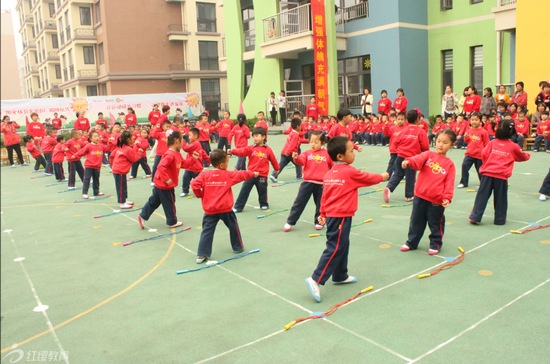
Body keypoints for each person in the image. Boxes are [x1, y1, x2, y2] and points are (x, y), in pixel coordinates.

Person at [305, 136, 389, 302]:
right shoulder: (350, 172)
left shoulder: (329, 174)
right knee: (335, 247)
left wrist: (322, 213)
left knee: (343, 244)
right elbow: (367, 178)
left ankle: (340, 275)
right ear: (340, 157)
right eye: (351, 151)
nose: (354, 153)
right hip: (341, 216)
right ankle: (316, 278)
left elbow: (324, 196)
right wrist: (383, 176)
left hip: (335, 216)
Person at [192, 149, 259, 263]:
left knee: (207, 231)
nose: (228, 165)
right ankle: (238, 247)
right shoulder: (227, 174)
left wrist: (200, 194)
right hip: (225, 209)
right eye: (227, 162)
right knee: (233, 227)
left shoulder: (204, 174)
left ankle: (202, 254)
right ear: (222, 165)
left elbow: (194, 184)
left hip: (210, 210)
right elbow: (241, 174)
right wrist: (253, 173)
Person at [400, 129, 457, 255]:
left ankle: (435, 243)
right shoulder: (428, 155)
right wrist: (408, 161)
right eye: (438, 141)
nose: (441, 145)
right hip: (420, 196)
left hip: (436, 201)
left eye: (445, 142)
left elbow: (449, 182)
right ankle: (411, 242)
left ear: (452, 145)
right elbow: (417, 160)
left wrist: (447, 197)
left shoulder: (449, 164)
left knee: (435, 223)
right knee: (416, 221)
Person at [469, 120, 531, 225]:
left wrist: (487, 164)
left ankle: (475, 216)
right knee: (501, 199)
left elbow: (484, 154)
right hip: (501, 176)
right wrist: (528, 156)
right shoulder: (513, 146)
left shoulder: (492, 143)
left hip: (487, 174)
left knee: (482, 196)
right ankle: (499, 219)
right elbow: (522, 156)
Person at [138, 131, 200, 229]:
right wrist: (166, 179)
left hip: (160, 183)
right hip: (164, 184)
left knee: (155, 200)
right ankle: (172, 221)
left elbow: (184, 164)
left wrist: (194, 159)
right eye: (182, 140)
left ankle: (143, 215)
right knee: (170, 202)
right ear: (176, 141)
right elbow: (161, 166)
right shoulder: (170, 154)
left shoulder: (177, 154)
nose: (183, 143)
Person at [283, 131, 333, 232]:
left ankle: (319, 221)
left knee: (320, 204)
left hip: (321, 184)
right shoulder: (307, 153)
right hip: (307, 182)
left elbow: (333, 166)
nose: (313, 144)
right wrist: (296, 158)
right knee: (299, 202)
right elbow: (301, 161)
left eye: (316, 142)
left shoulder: (327, 154)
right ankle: (290, 221)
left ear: (322, 143)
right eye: (311, 142)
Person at [383, 109, 429, 203]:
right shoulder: (421, 131)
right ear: (418, 119)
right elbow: (425, 146)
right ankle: (409, 195)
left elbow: (396, 141)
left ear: (407, 120)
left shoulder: (404, 130)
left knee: (398, 174)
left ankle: (389, 187)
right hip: (412, 158)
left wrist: (400, 149)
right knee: (410, 176)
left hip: (400, 156)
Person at [230, 127, 279, 212]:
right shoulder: (251, 148)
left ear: (263, 137)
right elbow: (242, 151)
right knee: (244, 190)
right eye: (253, 136)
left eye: (257, 136)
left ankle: (263, 204)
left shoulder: (268, 150)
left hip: (262, 175)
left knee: (262, 191)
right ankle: (238, 206)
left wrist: (277, 169)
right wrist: (232, 151)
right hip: (250, 174)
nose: (255, 138)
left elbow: (273, 160)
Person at [457, 113, 490, 188]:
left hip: (479, 155)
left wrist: (486, 153)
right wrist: (465, 137)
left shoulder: (483, 131)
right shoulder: (469, 131)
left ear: (480, 121)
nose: (474, 121)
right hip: (469, 154)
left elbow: (487, 143)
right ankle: (463, 182)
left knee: (480, 170)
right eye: (472, 120)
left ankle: (482, 183)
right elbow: (467, 141)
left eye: (476, 120)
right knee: (464, 166)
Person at [110, 131, 142, 209]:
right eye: (131, 137)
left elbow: (111, 155)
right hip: (119, 171)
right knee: (121, 187)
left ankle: (124, 199)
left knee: (123, 186)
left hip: (119, 170)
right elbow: (134, 158)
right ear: (128, 139)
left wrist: (112, 165)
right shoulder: (127, 149)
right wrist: (140, 152)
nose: (133, 138)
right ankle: (122, 202)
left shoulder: (121, 147)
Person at [270, 118, 305, 183]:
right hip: (290, 153)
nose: (301, 127)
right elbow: (292, 144)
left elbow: (299, 141)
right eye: (300, 125)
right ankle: (299, 175)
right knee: (298, 163)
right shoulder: (296, 135)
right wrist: (288, 152)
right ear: (298, 126)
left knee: (281, 165)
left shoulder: (292, 133)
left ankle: (273, 175)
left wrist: (307, 141)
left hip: (284, 152)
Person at [72, 131, 106, 199]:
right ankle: (85, 192)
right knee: (87, 179)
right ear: (90, 138)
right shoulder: (89, 145)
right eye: (95, 136)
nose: (97, 138)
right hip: (89, 165)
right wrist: (75, 155)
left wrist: (111, 143)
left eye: (98, 136)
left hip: (97, 166)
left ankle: (96, 191)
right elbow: (82, 151)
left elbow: (108, 148)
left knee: (96, 179)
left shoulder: (101, 146)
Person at [180, 128, 210, 197]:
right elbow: (203, 152)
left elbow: (186, 148)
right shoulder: (196, 144)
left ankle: (205, 189)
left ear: (195, 136)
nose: (189, 137)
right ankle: (185, 191)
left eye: (190, 135)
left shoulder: (195, 144)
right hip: (190, 167)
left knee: (200, 181)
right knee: (185, 178)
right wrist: (209, 160)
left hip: (196, 167)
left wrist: (182, 140)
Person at [150, 118, 172, 184]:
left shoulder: (172, 135)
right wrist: (157, 127)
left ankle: (167, 179)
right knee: (155, 166)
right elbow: (153, 134)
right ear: (163, 127)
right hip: (159, 154)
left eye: (169, 127)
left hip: (168, 155)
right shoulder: (160, 134)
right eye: (166, 126)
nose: (168, 128)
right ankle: (153, 180)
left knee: (167, 168)